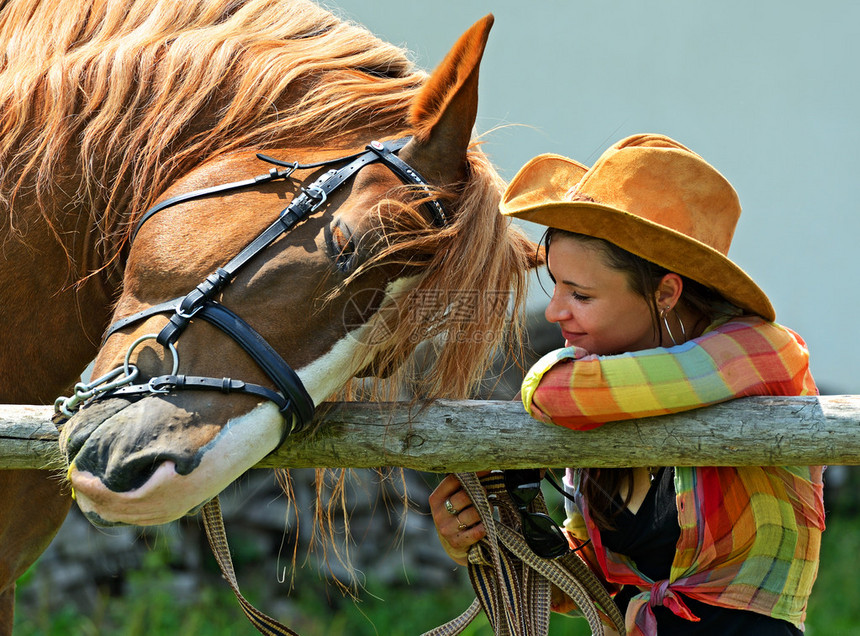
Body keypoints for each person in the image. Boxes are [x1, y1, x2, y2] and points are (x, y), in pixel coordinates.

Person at [429, 134, 823, 635]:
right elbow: (584, 588)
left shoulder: (767, 350)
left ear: (665, 291)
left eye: (582, 294)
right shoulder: (612, 384)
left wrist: (548, 373)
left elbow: (552, 392)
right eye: (556, 286)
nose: (554, 312)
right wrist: (484, 542)